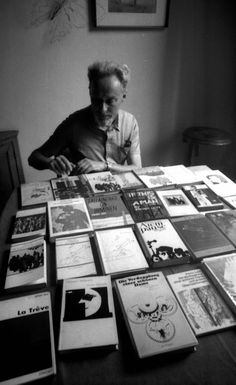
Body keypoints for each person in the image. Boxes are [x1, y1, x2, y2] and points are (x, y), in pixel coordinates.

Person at [28, 60, 142, 176]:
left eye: (110, 101)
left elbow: (137, 168)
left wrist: (105, 165)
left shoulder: (130, 123)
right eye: (96, 100)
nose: (102, 109)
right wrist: (50, 163)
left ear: (123, 96)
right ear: (90, 93)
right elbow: (34, 158)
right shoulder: (73, 124)